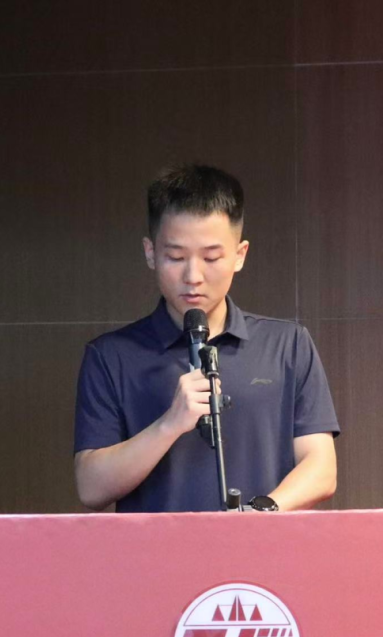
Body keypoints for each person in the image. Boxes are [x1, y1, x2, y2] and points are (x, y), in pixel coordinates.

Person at [73, 164, 339, 512]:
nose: (193, 276)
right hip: (156, 548)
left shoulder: (288, 344)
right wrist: (169, 424)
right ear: (150, 253)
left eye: (211, 257)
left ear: (240, 255)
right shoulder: (111, 356)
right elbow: (91, 488)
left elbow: (321, 468)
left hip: (261, 545)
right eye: (175, 257)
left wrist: (262, 511)